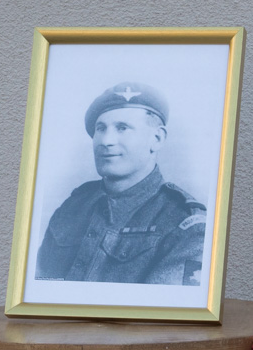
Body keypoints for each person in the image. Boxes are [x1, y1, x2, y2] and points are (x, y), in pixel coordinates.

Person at [35, 82, 206, 285]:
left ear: (157, 139)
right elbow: (40, 287)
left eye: (122, 128)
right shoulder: (73, 207)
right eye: (100, 128)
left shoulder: (186, 225)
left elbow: (159, 312)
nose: (106, 140)